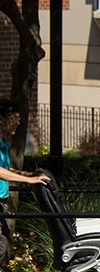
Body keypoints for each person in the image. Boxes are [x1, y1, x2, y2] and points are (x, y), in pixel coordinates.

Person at [0, 99, 50, 262]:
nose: (18, 123)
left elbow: (7, 168)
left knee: (3, 242)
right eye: (14, 118)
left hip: (2, 201)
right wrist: (29, 181)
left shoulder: (4, 142)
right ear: (1, 119)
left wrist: (28, 175)